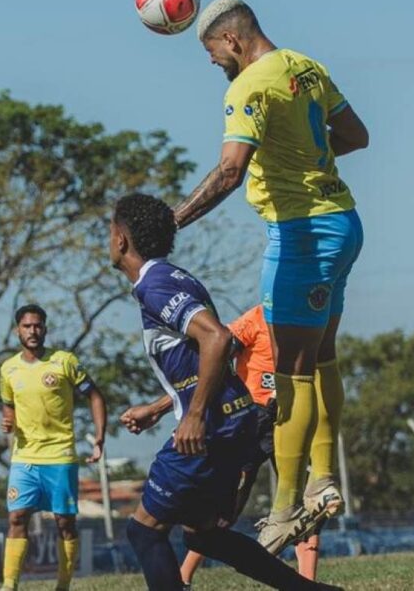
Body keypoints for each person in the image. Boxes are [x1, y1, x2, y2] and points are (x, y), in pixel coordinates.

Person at [171, 0, 369, 555]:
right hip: (344, 222)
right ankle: (323, 478)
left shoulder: (247, 86)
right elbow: (356, 136)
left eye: (212, 52)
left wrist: (173, 221)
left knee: (291, 373)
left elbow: (230, 170)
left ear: (231, 40)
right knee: (323, 355)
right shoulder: (306, 65)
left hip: (301, 235)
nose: (213, 63)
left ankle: (284, 509)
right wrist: (303, 159)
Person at [111, 193, 342, 591]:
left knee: (145, 532)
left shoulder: (156, 285)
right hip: (234, 418)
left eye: (109, 230)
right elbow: (220, 347)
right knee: (204, 535)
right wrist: (164, 405)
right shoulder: (178, 277)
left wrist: (194, 415)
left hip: (211, 427)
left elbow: (218, 339)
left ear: (121, 240)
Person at [179, 305, 324, 587]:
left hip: (292, 417)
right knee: (229, 499)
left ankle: (309, 582)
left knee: (305, 500)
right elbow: (220, 348)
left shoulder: (309, 319)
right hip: (254, 417)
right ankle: (183, 575)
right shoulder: (255, 317)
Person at [0, 304, 107, 591]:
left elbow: (95, 396)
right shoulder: (8, 369)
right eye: (27, 326)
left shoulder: (64, 362)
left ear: (45, 329)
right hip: (24, 458)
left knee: (64, 523)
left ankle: (62, 584)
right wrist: (8, 420)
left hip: (60, 456)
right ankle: (9, 586)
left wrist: (99, 439)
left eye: (38, 326)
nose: (33, 331)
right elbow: (8, 405)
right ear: (17, 330)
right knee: (16, 516)